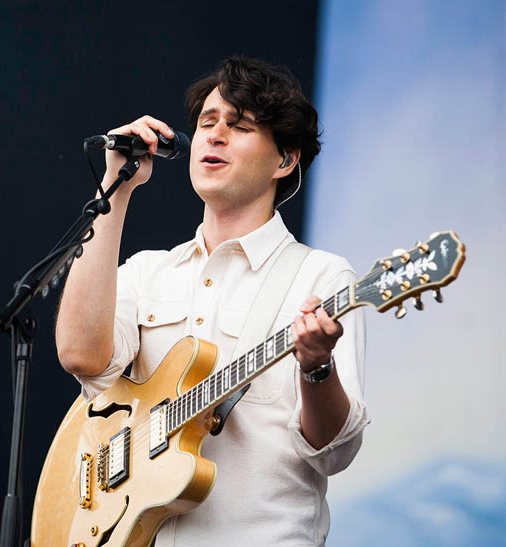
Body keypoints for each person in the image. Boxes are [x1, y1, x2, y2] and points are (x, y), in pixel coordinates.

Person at [55, 56, 369, 546]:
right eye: (207, 122)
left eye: (240, 126)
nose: (216, 135)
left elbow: (333, 452)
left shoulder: (320, 276)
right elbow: (79, 356)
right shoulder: (147, 271)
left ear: (285, 160)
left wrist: (316, 367)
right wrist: (114, 190)